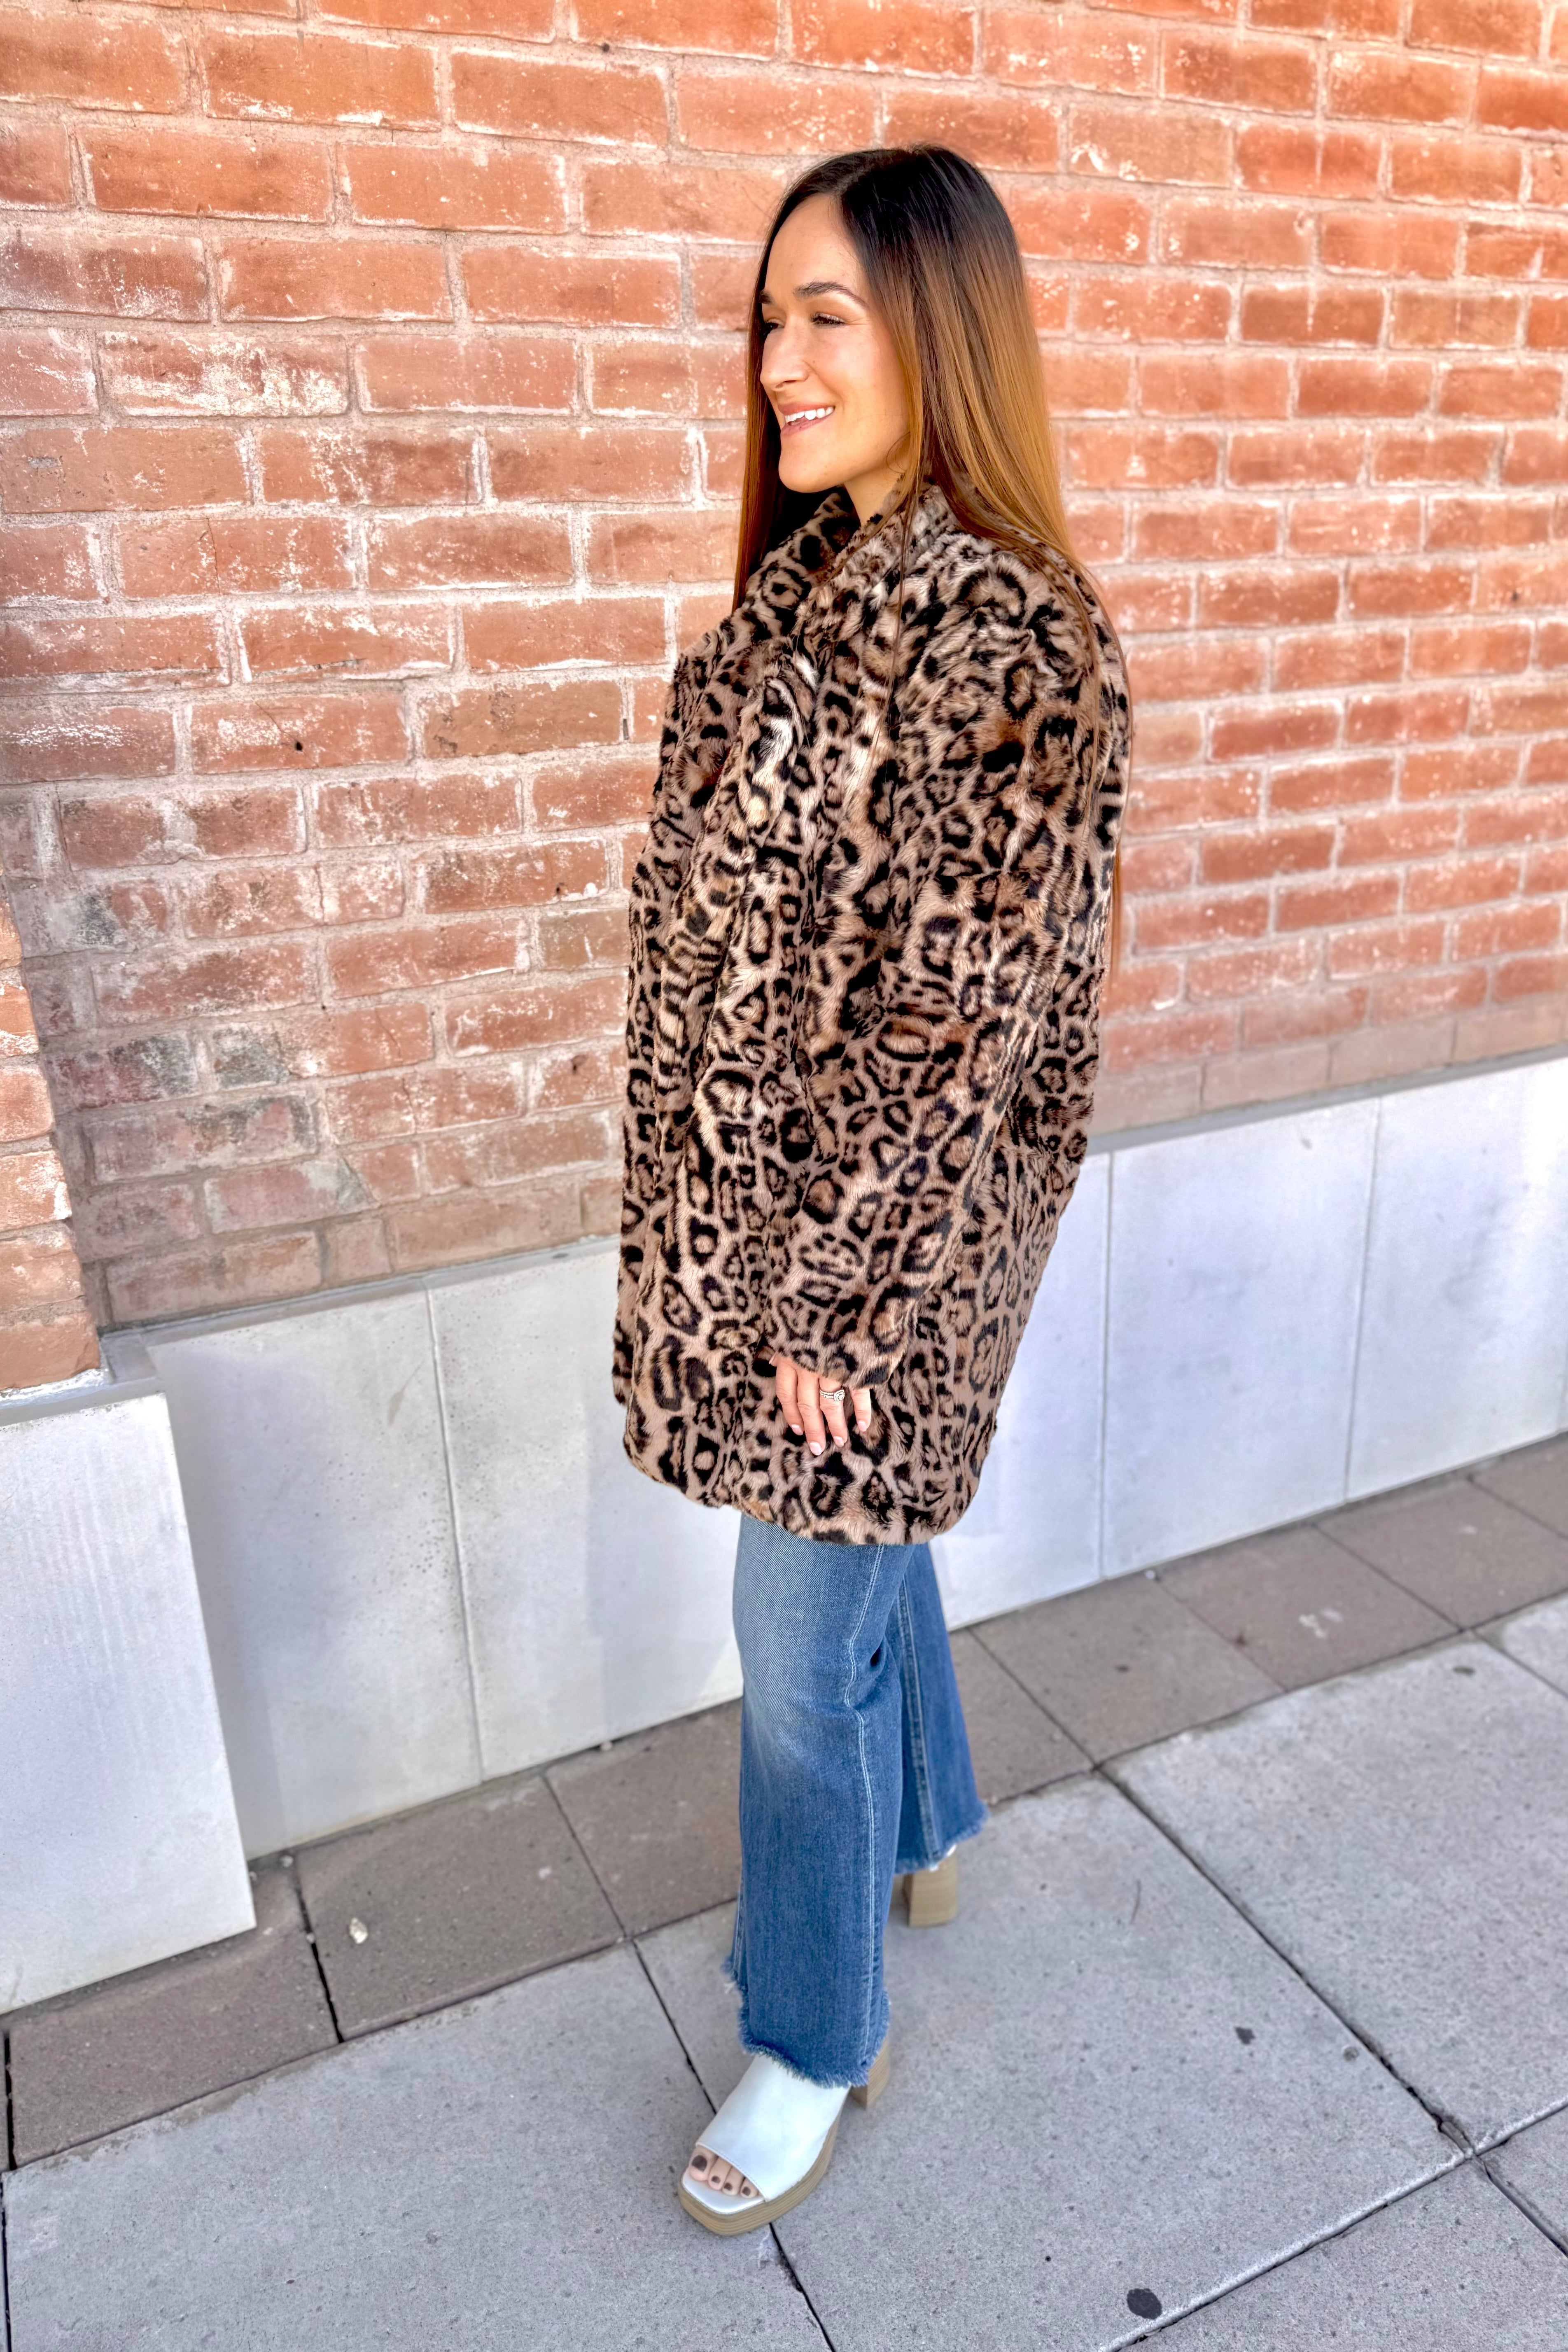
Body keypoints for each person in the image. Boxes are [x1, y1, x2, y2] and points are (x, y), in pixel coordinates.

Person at [611, 144, 1132, 2234]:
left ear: (945, 329)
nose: (778, 361)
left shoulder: (1004, 634)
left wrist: (833, 1308)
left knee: (787, 1628)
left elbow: (951, 1032)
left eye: (828, 315)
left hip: (864, 1267)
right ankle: (932, 1824)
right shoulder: (811, 593)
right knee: (851, 1564)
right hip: (764, 1239)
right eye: (769, 316)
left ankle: (814, 2032)